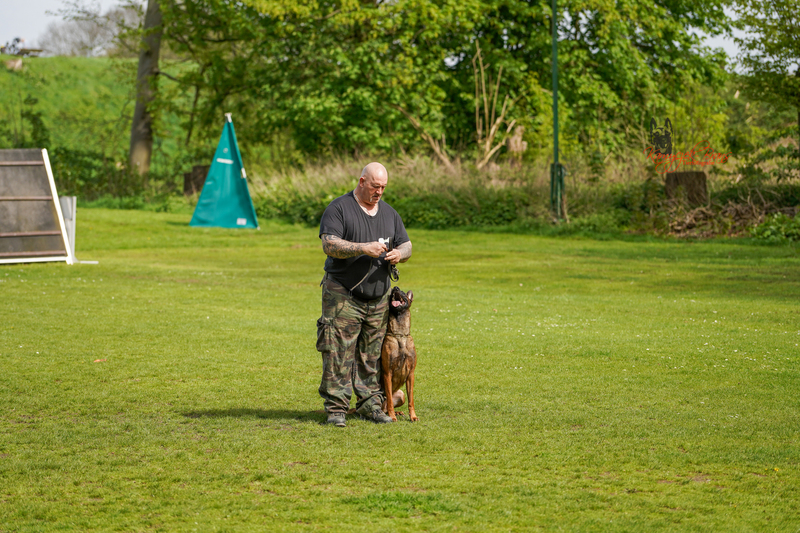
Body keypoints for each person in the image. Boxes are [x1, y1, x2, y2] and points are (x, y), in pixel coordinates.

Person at [316, 162, 413, 427]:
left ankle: (370, 404)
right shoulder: (339, 208)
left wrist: (399, 254)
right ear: (361, 182)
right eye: (375, 186)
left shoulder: (390, 214)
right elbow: (329, 244)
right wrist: (362, 248)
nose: (379, 192)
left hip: (378, 298)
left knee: (372, 355)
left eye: (383, 187)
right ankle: (336, 409)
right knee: (337, 352)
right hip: (343, 295)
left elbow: (407, 244)